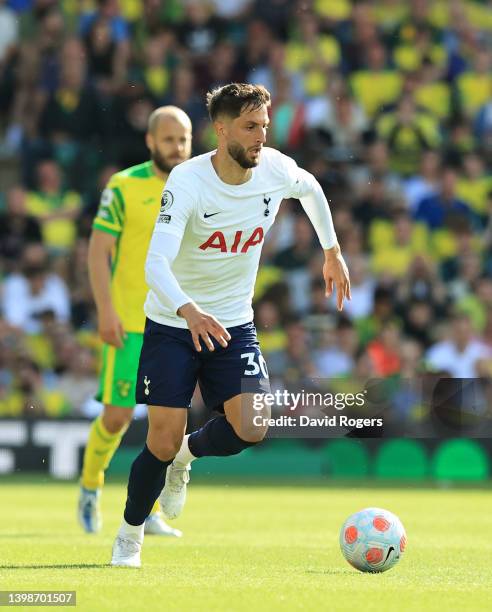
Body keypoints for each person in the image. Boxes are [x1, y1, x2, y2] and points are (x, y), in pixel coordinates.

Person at [110, 83, 351, 567]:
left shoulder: (276, 169)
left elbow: (312, 188)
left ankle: (187, 457)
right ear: (221, 130)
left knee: (254, 425)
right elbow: (154, 265)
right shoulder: (188, 181)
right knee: (159, 437)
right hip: (173, 322)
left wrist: (332, 250)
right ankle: (130, 535)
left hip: (233, 323)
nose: (261, 136)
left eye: (264, 125)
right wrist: (188, 310)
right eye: (250, 127)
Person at [78, 106, 192, 538]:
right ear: (150, 141)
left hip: (174, 323)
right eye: (168, 139)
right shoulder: (124, 186)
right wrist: (105, 310)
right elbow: (97, 250)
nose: (177, 147)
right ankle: (91, 485)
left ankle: (147, 509)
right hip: (128, 322)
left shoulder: (199, 185)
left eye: (183, 139)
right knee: (117, 416)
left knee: (169, 424)